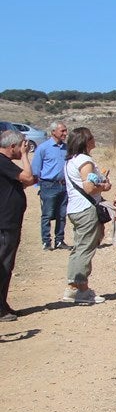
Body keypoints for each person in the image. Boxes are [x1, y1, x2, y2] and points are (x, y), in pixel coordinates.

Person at [61, 127, 112, 304]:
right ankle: (82, 289)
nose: (94, 139)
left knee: (79, 247)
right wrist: (104, 186)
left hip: (75, 208)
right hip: (86, 209)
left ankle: (72, 287)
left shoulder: (71, 161)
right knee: (86, 249)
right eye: (91, 137)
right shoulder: (85, 161)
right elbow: (89, 187)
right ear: (86, 141)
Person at [0, 130, 35, 320]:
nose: (25, 148)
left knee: (7, 264)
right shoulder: (3, 162)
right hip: (5, 223)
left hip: (9, 221)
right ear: (12, 146)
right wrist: (25, 157)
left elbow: (25, 182)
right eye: (21, 145)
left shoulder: (6, 165)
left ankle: (3, 304)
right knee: (3, 265)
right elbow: (28, 178)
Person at [31, 121, 69, 250]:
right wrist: (39, 185)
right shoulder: (43, 148)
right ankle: (46, 241)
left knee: (62, 214)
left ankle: (60, 240)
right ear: (53, 132)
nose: (65, 133)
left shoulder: (66, 148)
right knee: (47, 214)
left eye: (65, 130)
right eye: (62, 131)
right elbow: (36, 169)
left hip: (63, 186)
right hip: (48, 185)